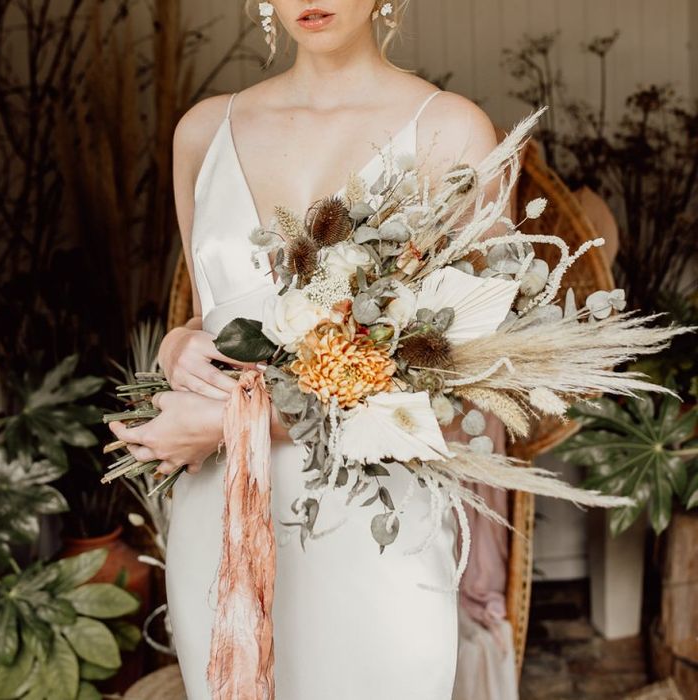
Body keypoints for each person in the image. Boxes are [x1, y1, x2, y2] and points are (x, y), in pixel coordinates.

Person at [109, 1, 502, 697]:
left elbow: (464, 382)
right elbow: (216, 320)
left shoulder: (451, 132)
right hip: (224, 511)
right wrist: (177, 343)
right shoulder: (205, 132)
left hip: (378, 528)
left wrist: (242, 421)